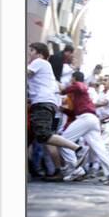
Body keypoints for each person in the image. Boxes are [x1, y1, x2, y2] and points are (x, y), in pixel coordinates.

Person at [27, 43, 86, 179]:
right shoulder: (45, 69)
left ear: (40, 53)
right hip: (45, 103)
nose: (29, 54)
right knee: (43, 137)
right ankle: (65, 167)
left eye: (31, 51)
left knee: (43, 135)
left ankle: (78, 150)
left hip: (43, 103)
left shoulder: (39, 62)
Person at [58, 71, 109, 185]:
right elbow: (75, 111)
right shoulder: (83, 93)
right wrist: (64, 110)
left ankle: (76, 168)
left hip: (89, 119)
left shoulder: (80, 86)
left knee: (63, 141)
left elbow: (79, 87)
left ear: (73, 79)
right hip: (94, 120)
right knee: (100, 148)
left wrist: (62, 89)